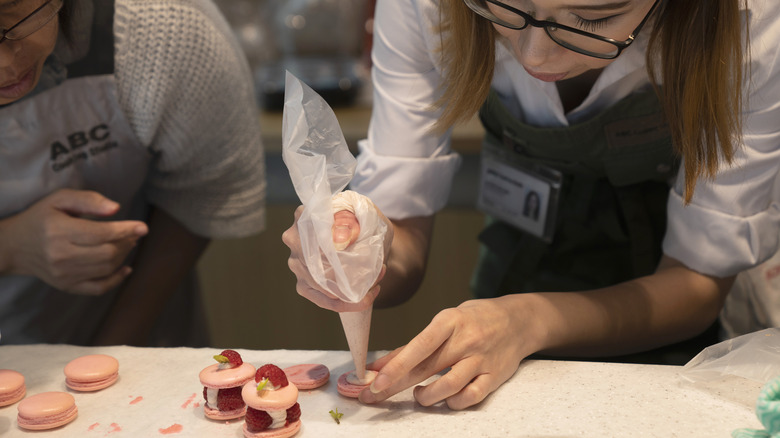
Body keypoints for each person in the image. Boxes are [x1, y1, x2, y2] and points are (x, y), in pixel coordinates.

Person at [283, 0, 780, 410]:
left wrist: (528, 322)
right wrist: (359, 255)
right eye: (503, 6)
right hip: (509, 283)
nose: (536, 57)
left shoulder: (750, 22)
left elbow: (698, 284)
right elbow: (402, 243)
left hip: (663, 322)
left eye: (593, 19)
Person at [0, 0, 266, 346]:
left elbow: (201, 193)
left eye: (13, 11)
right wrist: (11, 246)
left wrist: (111, 353)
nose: (6, 63)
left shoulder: (161, 23)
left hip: (131, 330)